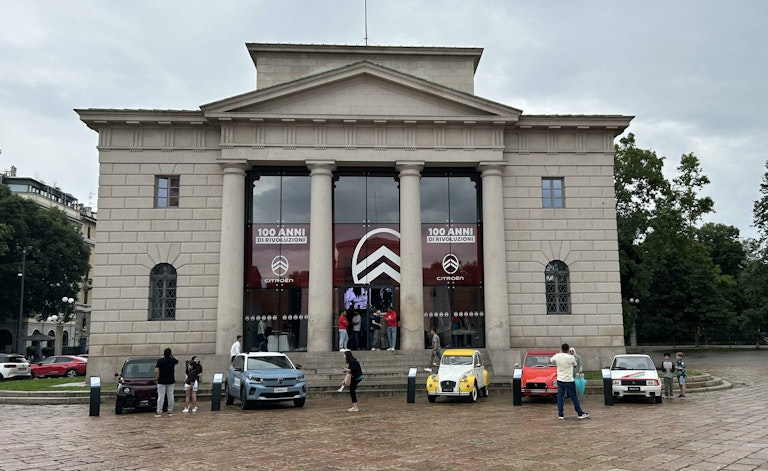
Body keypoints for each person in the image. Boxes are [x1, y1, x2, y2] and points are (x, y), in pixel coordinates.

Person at [549, 343, 589, 420]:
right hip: (569, 380)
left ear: (561, 349)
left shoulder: (557, 356)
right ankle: (579, 413)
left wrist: (558, 354)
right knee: (574, 397)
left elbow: (551, 360)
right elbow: (575, 365)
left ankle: (560, 414)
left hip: (560, 379)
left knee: (560, 397)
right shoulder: (571, 357)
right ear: (568, 350)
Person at [154, 347, 179, 418]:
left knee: (161, 396)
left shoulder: (160, 361)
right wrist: (172, 356)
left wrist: (156, 378)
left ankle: (159, 411)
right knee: (170, 396)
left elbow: (156, 371)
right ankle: (170, 411)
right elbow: (176, 361)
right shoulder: (172, 361)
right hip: (171, 380)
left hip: (161, 381)